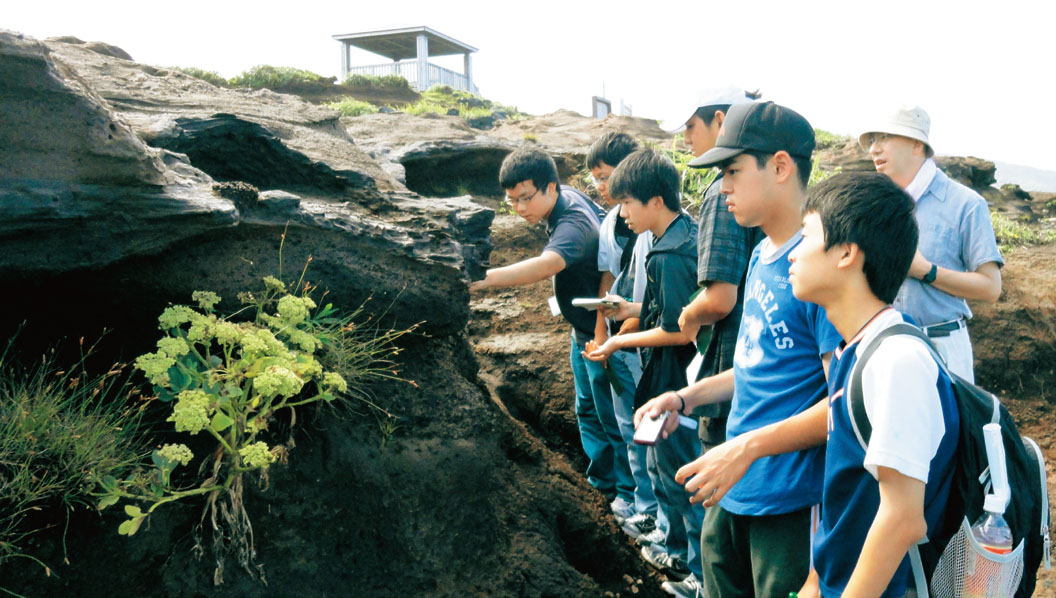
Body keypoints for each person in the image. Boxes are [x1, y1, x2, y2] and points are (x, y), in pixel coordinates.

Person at [669, 171, 959, 597]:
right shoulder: (853, 352)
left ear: (845, 254)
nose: (792, 255)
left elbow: (902, 519)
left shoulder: (898, 360)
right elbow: (844, 496)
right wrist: (816, 579)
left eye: (806, 237)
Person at [635, 101, 842, 597]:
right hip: (731, 486)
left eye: (732, 170)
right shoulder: (760, 256)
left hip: (788, 501)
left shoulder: (825, 270)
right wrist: (683, 398)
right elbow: (754, 365)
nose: (722, 186)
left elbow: (845, 407)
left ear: (780, 166)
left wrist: (746, 450)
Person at [470, 148, 635, 521]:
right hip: (582, 329)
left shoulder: (573, 220)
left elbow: (548, 265)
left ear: (551, 187)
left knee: (612, 416)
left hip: (603, 331)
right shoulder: (562, 202)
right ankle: (602, 486)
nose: (519, 209)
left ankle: (628, 497)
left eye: (525, 198)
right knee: (588, 410)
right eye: (511, 201)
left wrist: (483, 280)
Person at [584, 148, 703, 596]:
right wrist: (627, 309)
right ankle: (677, 548)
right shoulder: (682, 234)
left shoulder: (668, 255)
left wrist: (618, 340)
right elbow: (666, 309)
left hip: (674, 379)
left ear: (655, 201)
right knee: (666, 468)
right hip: (674, 377)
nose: (622, 213)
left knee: (682, 474)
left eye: (627, 203)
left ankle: (697, 572)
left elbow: (676, 331)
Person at [859, 105, 1003, 382]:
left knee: (949, 426)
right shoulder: (872, 205)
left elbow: (991, 288)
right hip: (881, 346)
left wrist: (926, 271)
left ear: (916, 144)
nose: (873, 149)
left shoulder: (966, 204)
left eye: (884, 138)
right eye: (872, 140)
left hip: (944, 350)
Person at [662, 88, 763, 468]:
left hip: (732, 368)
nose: (685, 139)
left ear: (720, 120)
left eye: (690, 126)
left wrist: (688, 315)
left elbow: (720, 299)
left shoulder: (722, 194)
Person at [586, 131, 661, 539]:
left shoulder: (659, 228)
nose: (601, 187)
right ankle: (638, 499)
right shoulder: (613, 222)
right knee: (625, 424)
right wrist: (603, 334)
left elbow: (657, 300)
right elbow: (610, 281)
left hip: (646, 344)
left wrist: (623, 335)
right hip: (620, 341)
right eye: (596, 179)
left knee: (651, 427)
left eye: (606, 176)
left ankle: (656, 513)